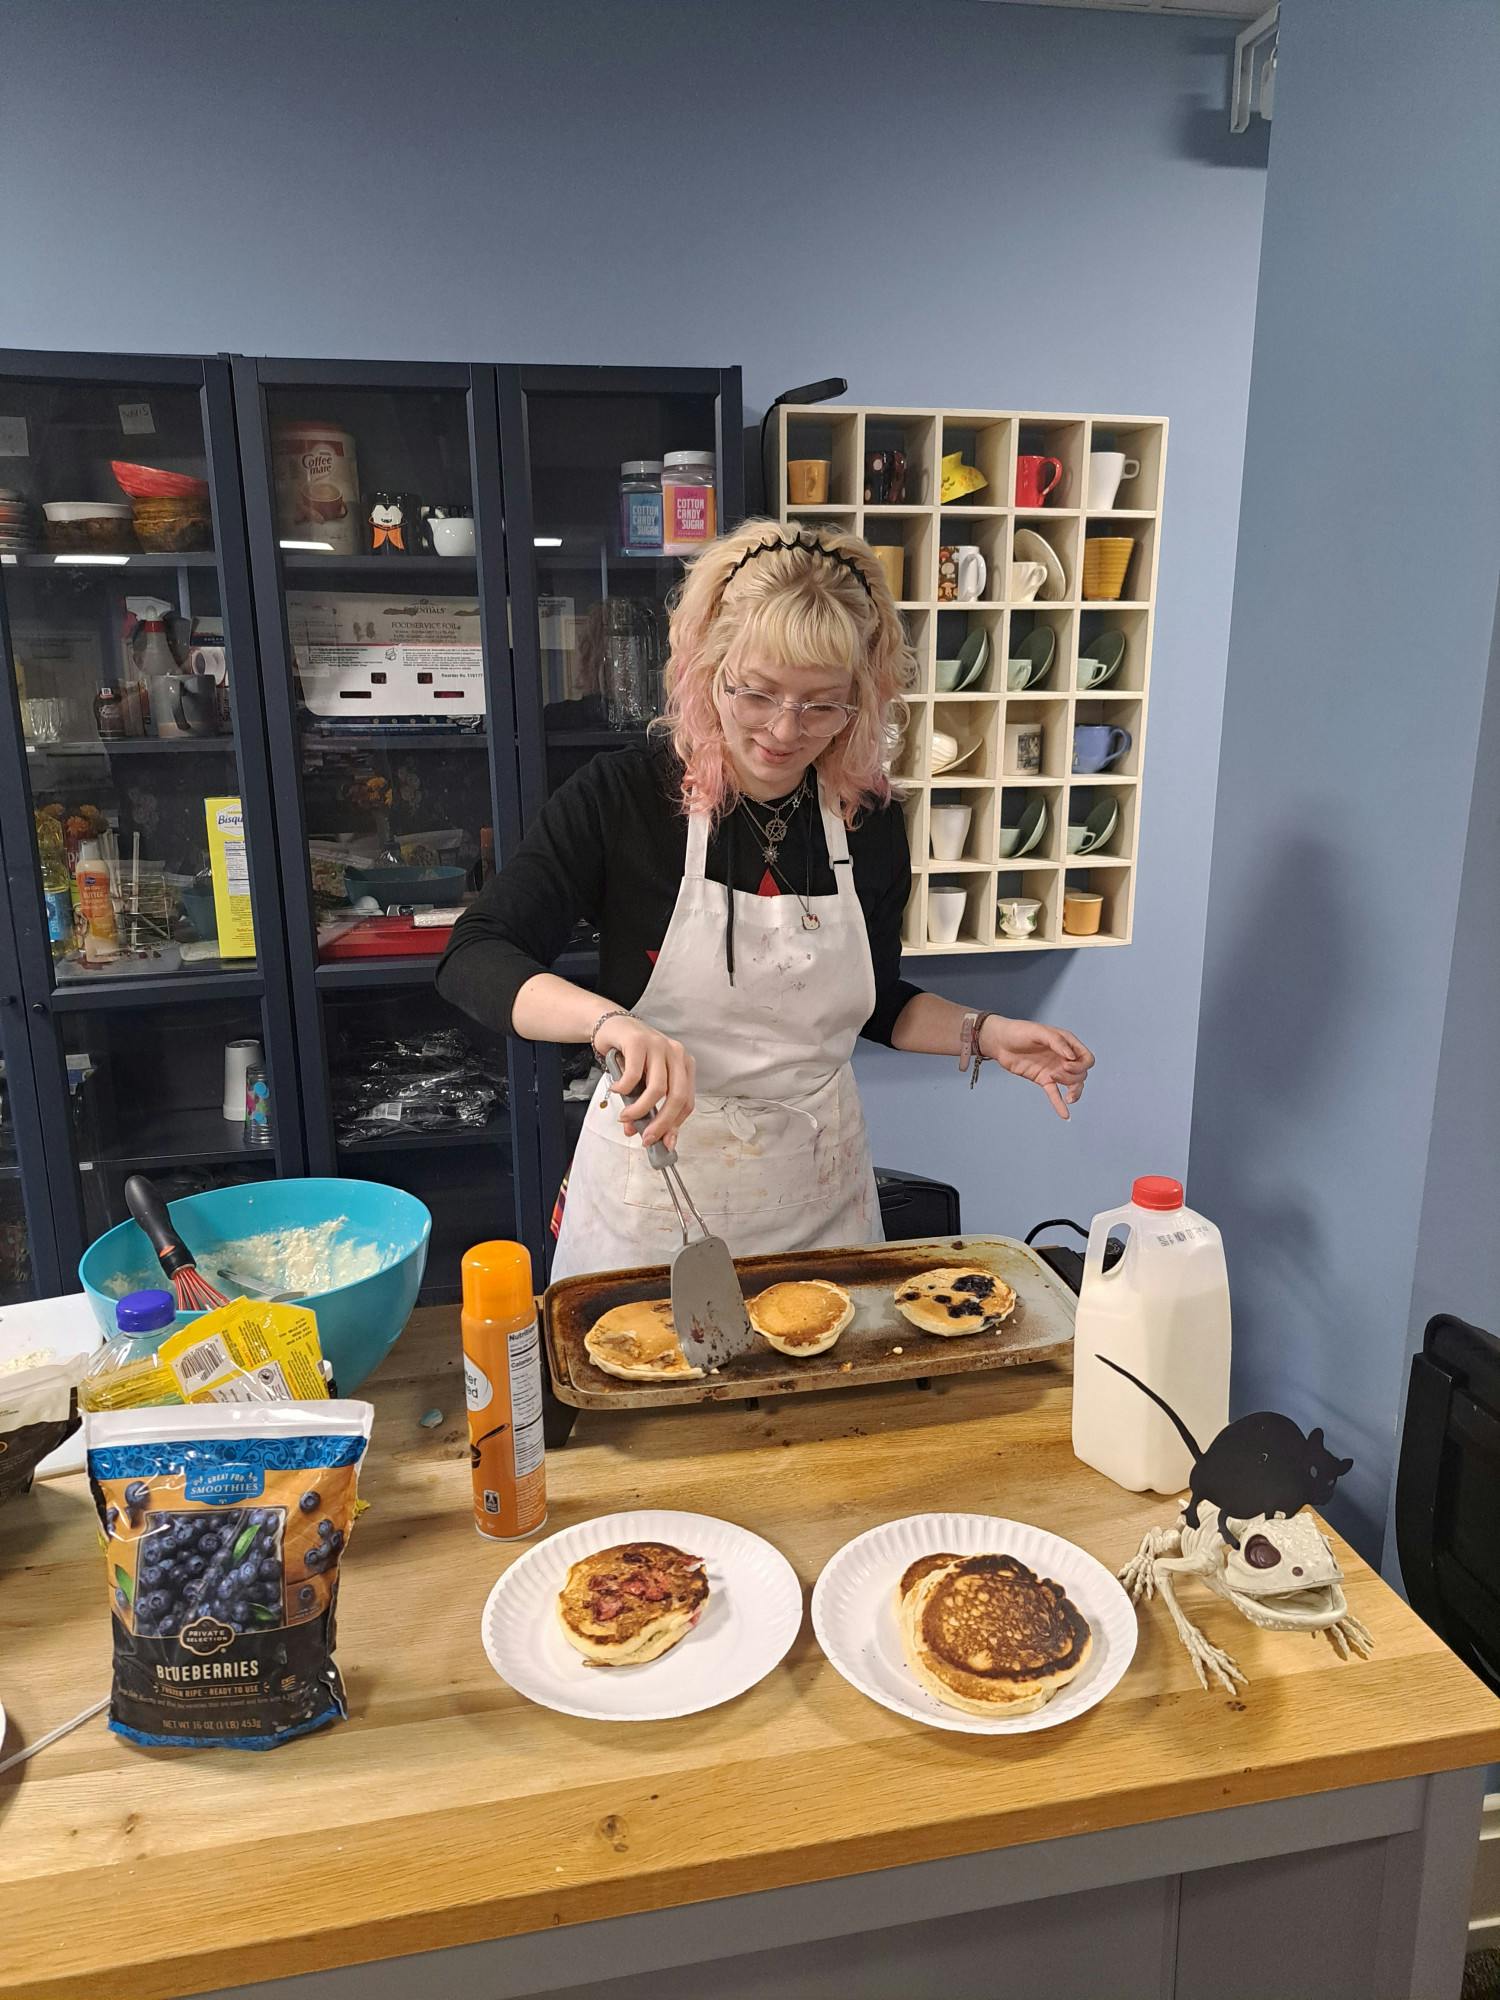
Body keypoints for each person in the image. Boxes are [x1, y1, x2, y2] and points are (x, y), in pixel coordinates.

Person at [438, 520, 1094, 1280]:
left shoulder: (868, 817)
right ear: (707, 669)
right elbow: (476, 952)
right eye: (757, 693)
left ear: (864, 698)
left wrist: (983, 1031)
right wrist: (607, 1022)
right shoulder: (623, 799)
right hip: (655, 1201)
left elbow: (877, 1002)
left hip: (819, 1198)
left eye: (823, 705)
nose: (786, 731)